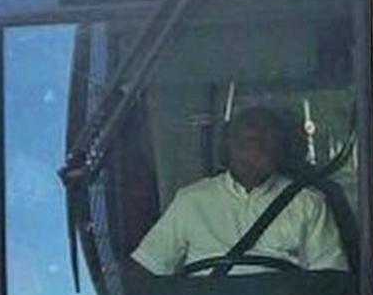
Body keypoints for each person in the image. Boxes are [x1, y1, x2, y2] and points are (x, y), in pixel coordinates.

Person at [132, 107, 348, 275]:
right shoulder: (190, 200)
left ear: (280, 150)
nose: (254, 153)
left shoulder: (309, 203)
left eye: (265, 144)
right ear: (227, 147)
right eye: (247, 143)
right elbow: (150, 267)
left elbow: (329, 280)